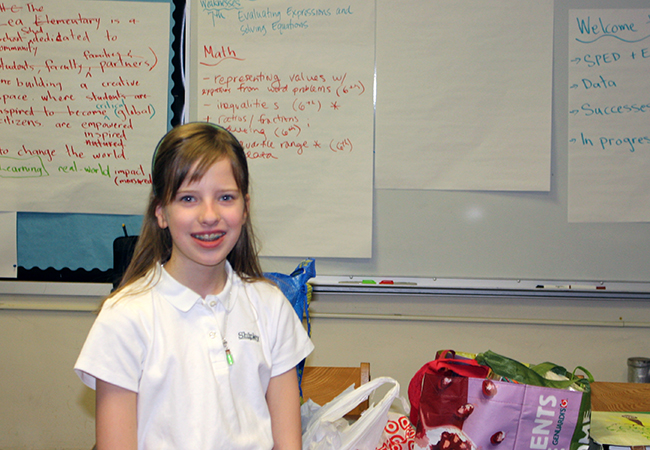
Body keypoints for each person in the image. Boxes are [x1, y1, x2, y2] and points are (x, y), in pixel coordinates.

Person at [75, 122, 314, 450]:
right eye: (189, 198)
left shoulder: (271, 307)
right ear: (161, 212)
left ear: (244, 208)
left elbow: (287, 444)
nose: (209, 215)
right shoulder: (125, 317)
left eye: (225, 197)